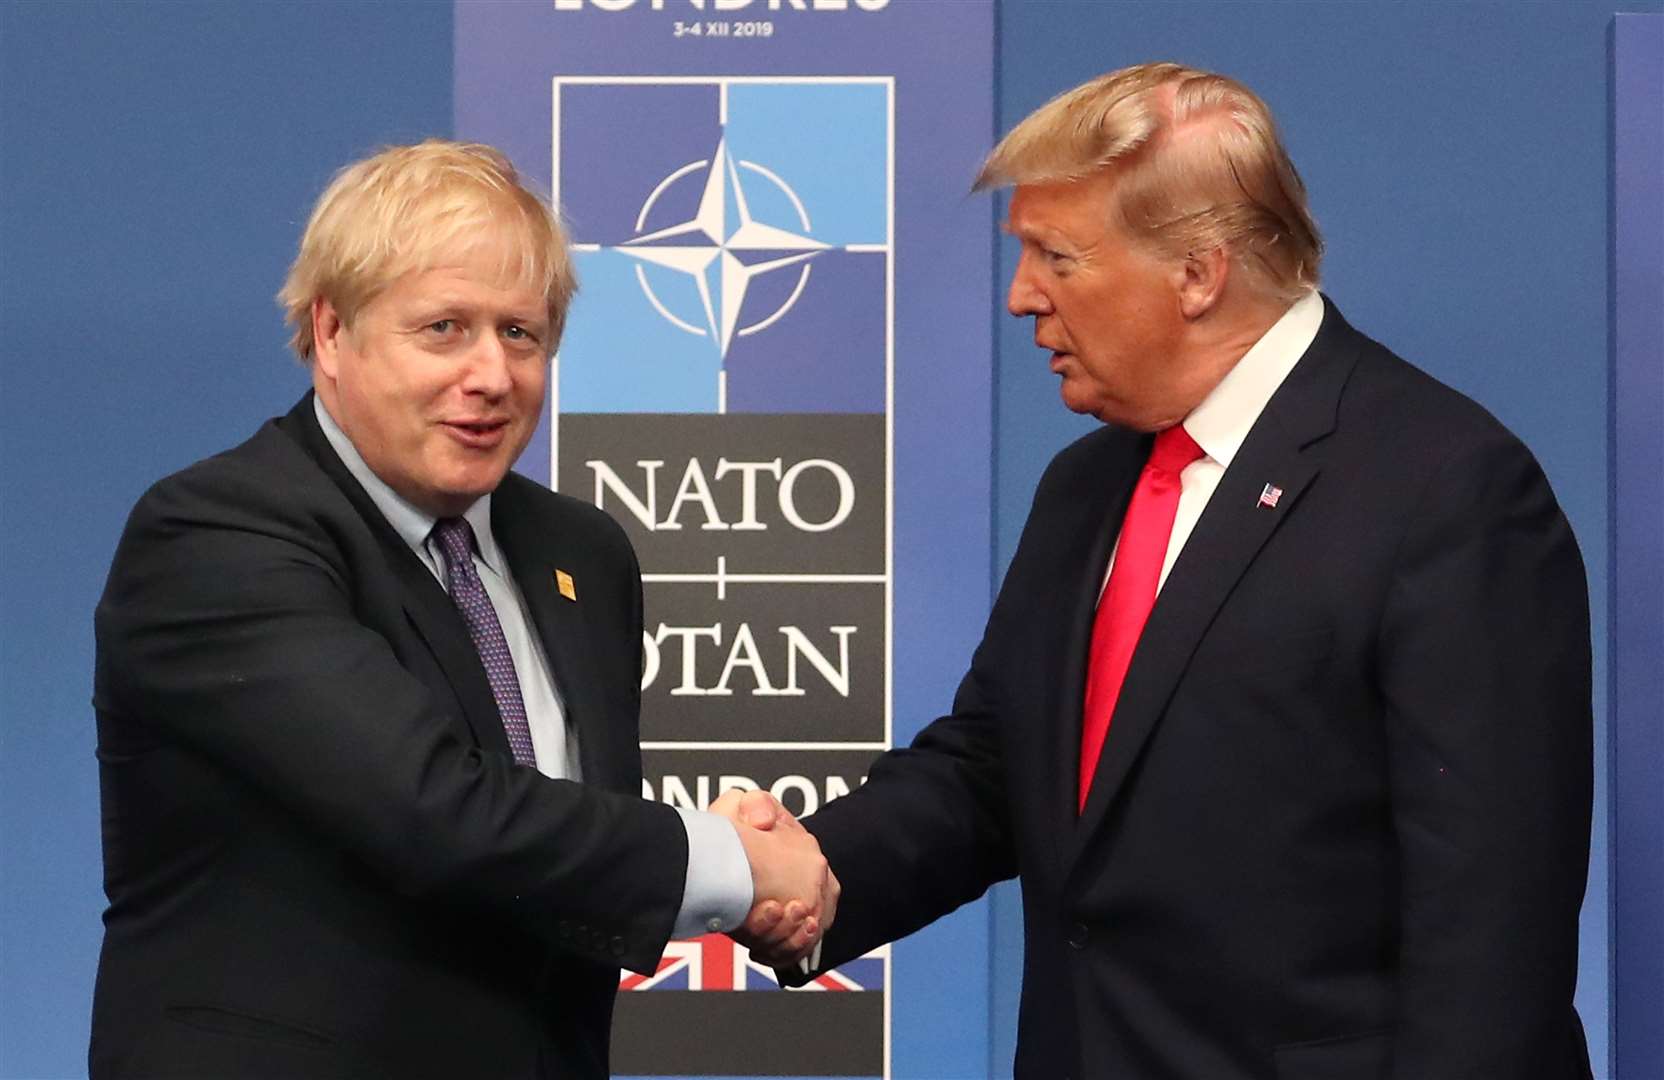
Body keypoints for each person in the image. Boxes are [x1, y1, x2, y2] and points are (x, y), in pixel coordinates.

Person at [740, 62, 1594, 1079]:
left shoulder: (1444, 489)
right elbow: (993, 769)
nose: (1021, 298)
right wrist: (812, 873)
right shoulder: (1085, 486)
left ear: (1198, 272)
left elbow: (1489, 939)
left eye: (1055, 256)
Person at [89, 140, 833, 1079]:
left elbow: (559, 841)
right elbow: (432, 809)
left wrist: (733, 867)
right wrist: (729, 865)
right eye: (444, 328)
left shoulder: (582, 554)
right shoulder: (218, 536)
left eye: (520, 333)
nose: (491, 375)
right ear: (330, 333)